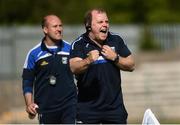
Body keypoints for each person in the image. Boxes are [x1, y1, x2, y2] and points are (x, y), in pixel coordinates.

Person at [69, 8, 135, 124]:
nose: (105, 25)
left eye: (107, 22)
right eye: (100, 22)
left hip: (115, 109)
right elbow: (73, 67)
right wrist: (88, 60)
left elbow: (131, 65)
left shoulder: (116, 39)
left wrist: (115, 57)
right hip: (87, 109)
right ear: (88, 25)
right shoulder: (79, 44)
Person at [22, 14, 77, 124]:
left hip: (69, 106)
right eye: (55, 26)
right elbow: (27, 81)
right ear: (45, 29)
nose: (59, 29)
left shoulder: (70, 49)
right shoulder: (34, 54)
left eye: (60, 26)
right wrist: (29, 104)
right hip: (46, 108)